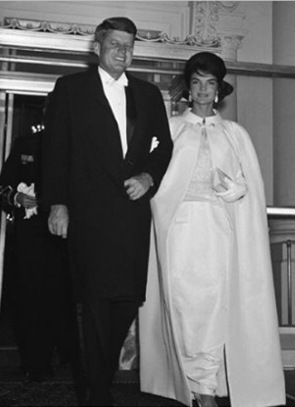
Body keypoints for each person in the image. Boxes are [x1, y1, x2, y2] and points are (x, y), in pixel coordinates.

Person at [139, 52, 286, 407]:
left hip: (219, 232)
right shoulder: (170, 129)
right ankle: (191, 383)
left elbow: (247, 187)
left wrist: (233, 188)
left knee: (213, 307)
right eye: (196, 82)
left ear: (219, 90)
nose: (203, 90)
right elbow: (155, 182)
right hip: (178, 231)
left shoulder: (235, 135)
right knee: (183, 307)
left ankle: (205, 387)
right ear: (188, 89)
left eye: (210, 84)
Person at [41, 16, 172, 407]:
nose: (123, 51)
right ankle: (97, 393)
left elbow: (163, 146)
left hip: (132, 216)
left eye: (129, 45)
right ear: (97, 47)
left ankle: (97, 378)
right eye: (115, 43)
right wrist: (57, 204)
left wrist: (149, 177)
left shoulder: (149, 95)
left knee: (127, 301)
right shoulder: (70, 89)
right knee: (96, 301)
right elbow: (55, 151)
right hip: (89, 214)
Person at [0, 105, 81, 384]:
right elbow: (3, 188)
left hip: (63, 236)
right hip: (30, 237)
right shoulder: (26, 144)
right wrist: (16, 199)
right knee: (29, 300)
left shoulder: (78, 147)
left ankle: (66, 355)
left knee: (61, 300)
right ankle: (35, 363)